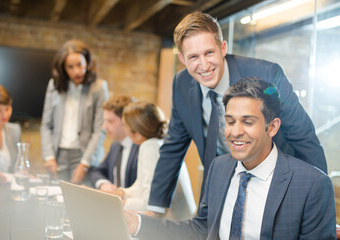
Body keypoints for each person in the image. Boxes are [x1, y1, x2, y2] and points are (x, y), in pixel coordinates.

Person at [148, 11, 327, 213]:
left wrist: (319, 202)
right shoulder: (181, 84)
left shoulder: (267, 75)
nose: (204, 65)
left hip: (275, 185)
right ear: (182, 58)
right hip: (221, 188)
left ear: (223, 48)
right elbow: (173, 147)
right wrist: (155, 208)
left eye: (209, 53)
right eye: (193, 57)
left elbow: (303, 136)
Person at [125, 77, 336, 240]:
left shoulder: (312, 185)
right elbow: (201, 229)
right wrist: (136, 223)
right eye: (230, 121)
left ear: (272, 127)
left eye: (248, 122)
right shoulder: (220, 167)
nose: (235, 132)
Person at [105, 101, 196, 220]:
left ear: (137, 134)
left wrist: (120, 203)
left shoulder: (149, 147)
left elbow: (149, 203)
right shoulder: (157, 143)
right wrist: (122, 193)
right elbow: (140, 185)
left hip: (175, 225)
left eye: (124, 125)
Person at [40, 39, 109, 184]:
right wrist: (48, 157)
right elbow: (46, 125)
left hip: (84, 155)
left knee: (82, 202)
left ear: (87, 62)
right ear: (63, 68)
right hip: (58, 155)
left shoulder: (99, 87)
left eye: (79, 65)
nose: (76, 71)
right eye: (70, 67)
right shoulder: (54, 85)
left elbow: (99, 130)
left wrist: (84, 164)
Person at [89, 95, 139, 190]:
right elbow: (97, 172)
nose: (104, 127)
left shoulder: (141, 148)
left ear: (127, 121)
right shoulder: (115, 146)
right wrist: (104, 184)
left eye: (110, 121)